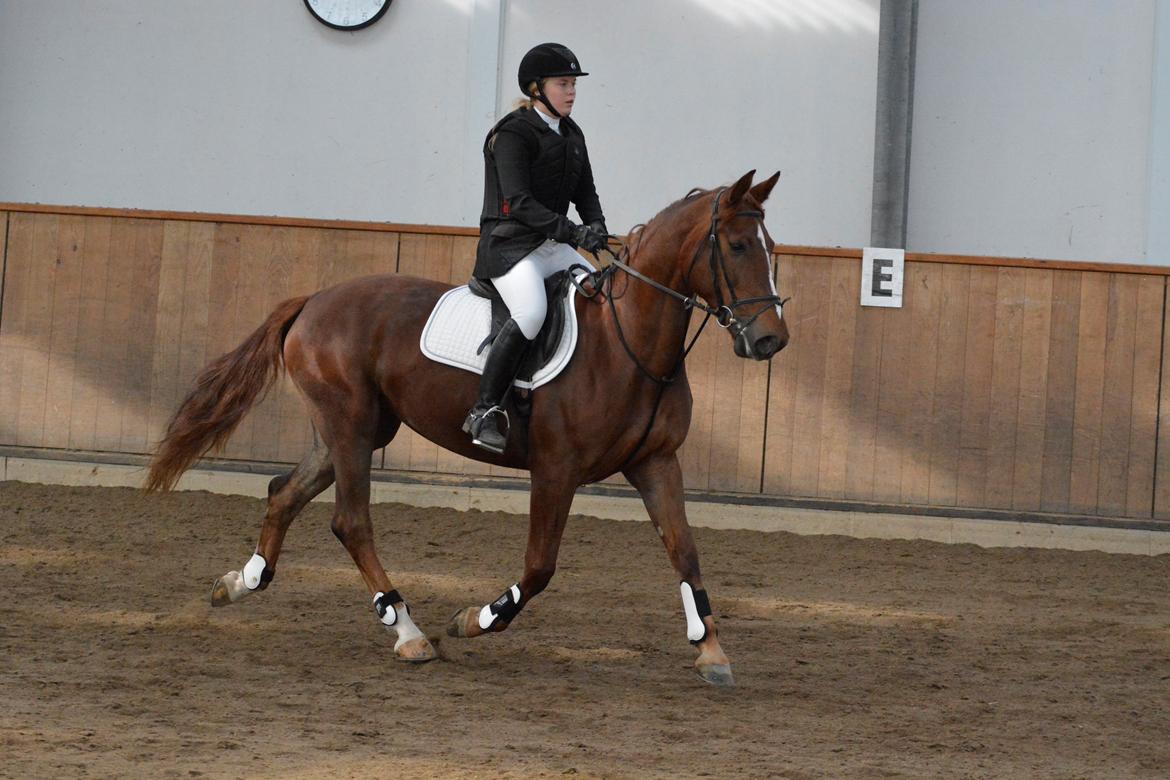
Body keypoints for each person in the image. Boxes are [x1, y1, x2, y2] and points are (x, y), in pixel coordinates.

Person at [463, 42, 609, 455]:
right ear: (536, 88)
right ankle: (485, 410)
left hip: (550, 244)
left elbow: (585, 192)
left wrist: (596, 224)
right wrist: (574, 233)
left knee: (599, 294)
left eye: (573, 84)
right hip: (509, 248)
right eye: (563, 84)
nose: (572, 91)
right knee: (531, 312)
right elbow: (519, 203)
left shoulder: (572, 134)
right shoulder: (513, 133)